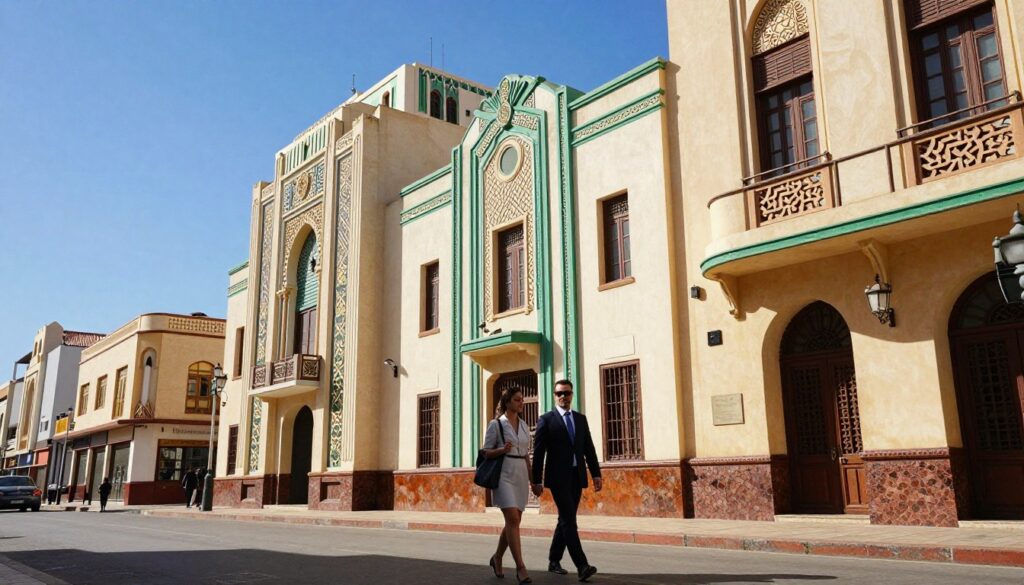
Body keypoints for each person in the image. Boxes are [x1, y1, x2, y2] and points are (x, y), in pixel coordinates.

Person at [531, 379, 601, 582]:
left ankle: (554, 560)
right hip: (558, 478)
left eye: (567, 393)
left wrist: (596, 473)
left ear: (572, 395)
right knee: (570, 520)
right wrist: (536, 480)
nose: (563, 397)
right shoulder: (546, 419)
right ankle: (582, 565)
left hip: (576, 476)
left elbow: (589, 448)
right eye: (559, 393)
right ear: (554, 396)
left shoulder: (580, 419)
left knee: (565, 519)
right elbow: (539, 452)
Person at [483, 387, 534, 584]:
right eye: (517, 399)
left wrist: (533, 481)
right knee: (512, 518)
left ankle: (497, 557)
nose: (521, 402)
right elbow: (486, 452)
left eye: (522, 399)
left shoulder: (524, 425)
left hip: (520, 473)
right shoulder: (496, 424)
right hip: (504, 473)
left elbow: (527, 456)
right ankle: (521, 567)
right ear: (507, 402)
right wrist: (501, 450)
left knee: (514, 521)